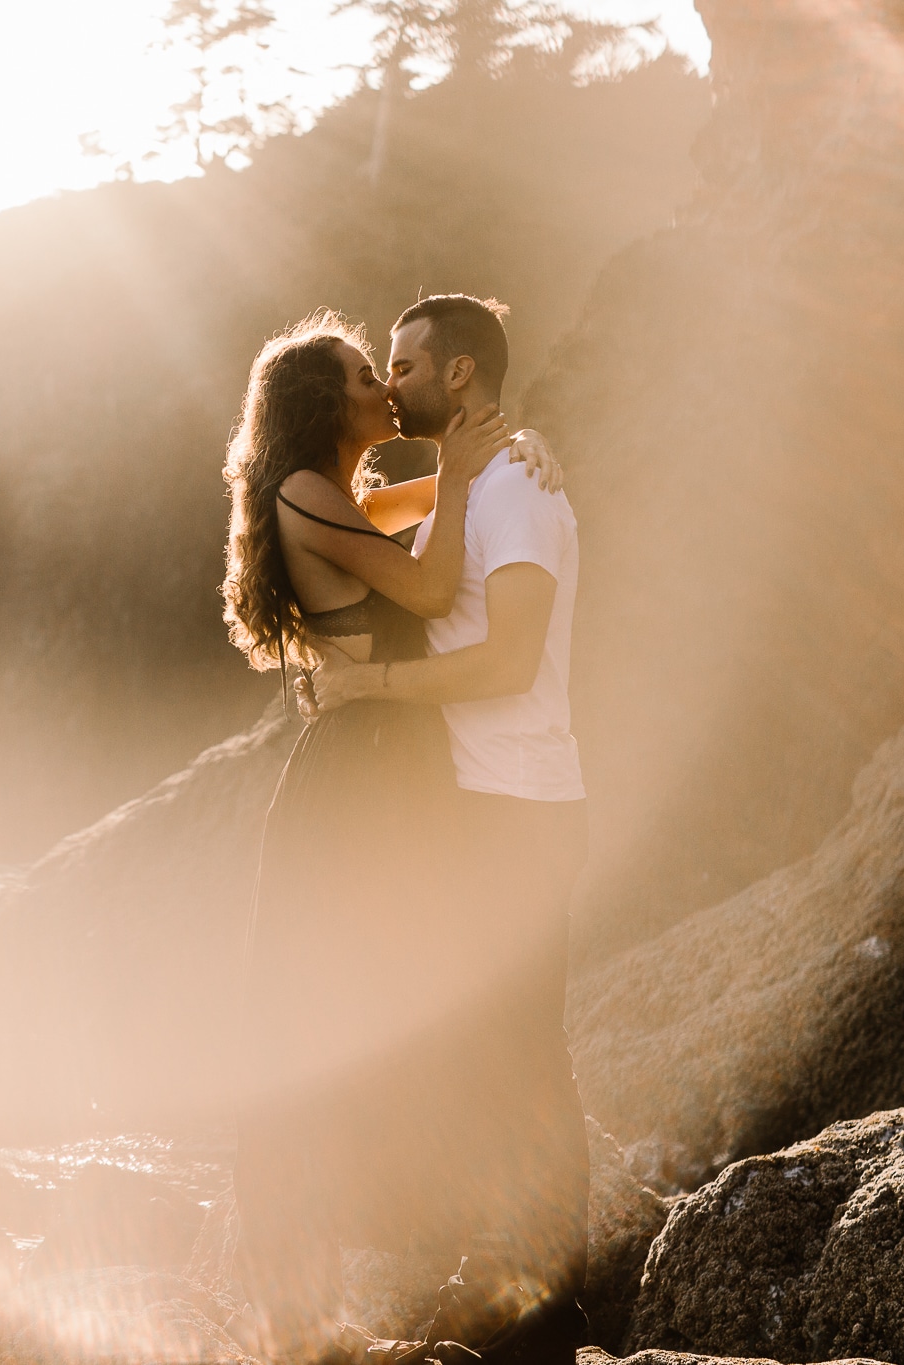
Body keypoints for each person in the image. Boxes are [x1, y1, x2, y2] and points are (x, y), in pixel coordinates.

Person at [217, 307, 564, 1361]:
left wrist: (512, 453)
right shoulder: (305, 493)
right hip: (361, 778)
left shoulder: (339, 495)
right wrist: (465, 481)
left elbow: (421, 520)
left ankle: (400, 1264)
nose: (385, 387)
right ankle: (295, 1299)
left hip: (391, 764)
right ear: (328, 403)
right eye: (367, 373)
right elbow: (427, 579)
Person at [307, 294, 591, 1363]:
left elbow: (510, 661)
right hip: (468, 808)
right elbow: (340, 523)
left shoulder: (517, 488)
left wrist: (370, 688)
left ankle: (546, 1309)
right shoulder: (455, 487)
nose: (389, 384)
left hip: (518, 807)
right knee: (481, 1054)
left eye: (405, 365)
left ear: (461, 375)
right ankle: (506, 1279)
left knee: (523, 1059)